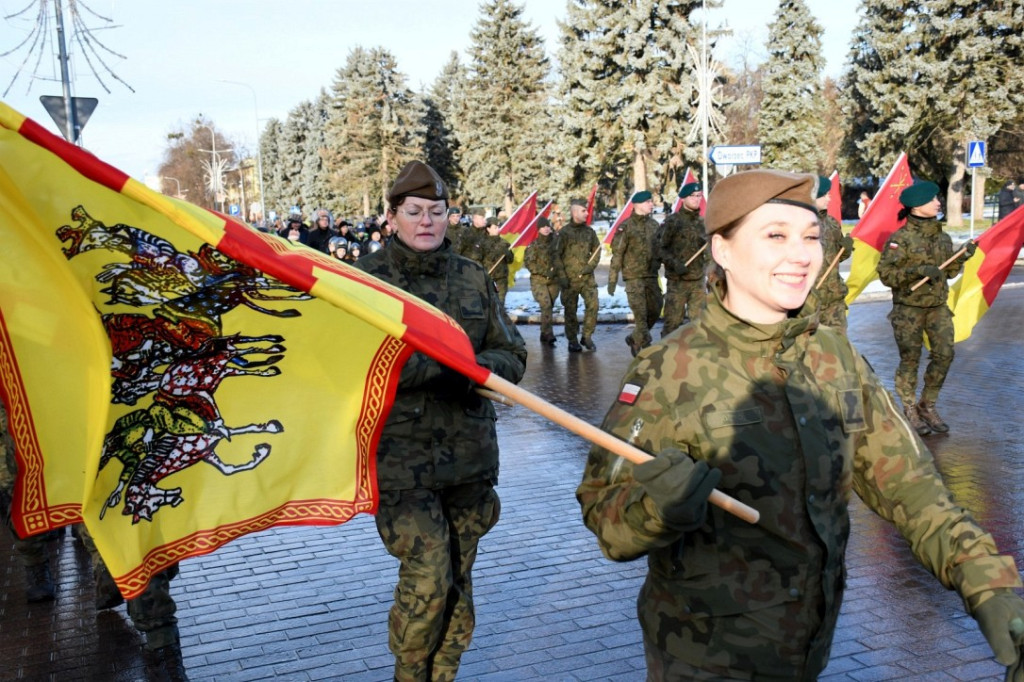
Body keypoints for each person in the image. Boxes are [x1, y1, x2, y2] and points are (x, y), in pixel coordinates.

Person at [577, 169, 1024, 681]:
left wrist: (986, 584)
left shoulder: (835, 356)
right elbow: (605, 519)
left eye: (810, 237)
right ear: (721, 249)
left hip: (811, 649)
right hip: (704, 659)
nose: (802, 254)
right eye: (775, 236)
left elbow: (909, 484)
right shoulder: (666, 371)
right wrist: (659, 507)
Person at [352, 161, 527, 682]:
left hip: (469, 459)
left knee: (457, 581)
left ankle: (442, 674)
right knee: (428, 575)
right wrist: (435, 369)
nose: (426, 221)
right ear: (392, 217)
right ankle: (409, 675)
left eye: (436, 211)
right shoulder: (367, 282)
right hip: (400, 461)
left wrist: (476, 373)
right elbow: (350, 367)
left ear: (449, 215)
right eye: (414, 212)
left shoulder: (473, 278)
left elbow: (511, 355)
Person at [876, 180, 976, 435]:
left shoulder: (943, 237)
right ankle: (909, 408)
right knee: (910, 359)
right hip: (909, 309)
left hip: (937, 307)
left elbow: (949, 272)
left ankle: (927, 405)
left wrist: (962, 256)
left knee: (944, 355)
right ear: (917, 207)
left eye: (936, 199)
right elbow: (887, 275)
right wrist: (917, 271)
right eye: (932, 200)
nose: (937, 203)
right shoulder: (901, 239)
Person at [1, 397, 55, 603]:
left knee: (17, 502)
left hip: (23, 419)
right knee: (15, 499)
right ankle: (37, 570)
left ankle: (38, 571)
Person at [608, 190, 663, 356]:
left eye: (651, 202)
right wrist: (612, 279)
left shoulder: (654, 225)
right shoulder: (626, 226)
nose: (651, 204)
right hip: (634, 278)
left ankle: (634, 337)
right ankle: (646, 351)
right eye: (648, 202)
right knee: (641, 314)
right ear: (637, 205)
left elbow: (662, 249)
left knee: (656, 309)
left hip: (651, 276)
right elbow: (617, 254)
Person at [657, 182, 707, 336]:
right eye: (692, 196)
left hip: (697, 281)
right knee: (673, 323)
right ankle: (665, 354)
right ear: (684, 198)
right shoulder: (673, 221)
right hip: (677, 281)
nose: (696, 199)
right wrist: (674, 263)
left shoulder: (703, 223)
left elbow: (709, 250)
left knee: (699, 323)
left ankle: (696, 356)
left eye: (699, 196)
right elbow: (659, 248)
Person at [555, 198, 601, 352]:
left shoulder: (590, 232)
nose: (586, 213)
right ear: (575, 213)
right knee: (570, 311)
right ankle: (572, 339)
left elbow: (597, 250)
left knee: (593, 305)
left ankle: (587, 336)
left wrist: (590, 266)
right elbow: (556, 255)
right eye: (583, 211)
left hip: (587, 278)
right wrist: (561, 276)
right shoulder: (564, 233)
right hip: (569, 280)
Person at [815, 175, 854, 333]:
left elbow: (837, 258)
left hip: (834, 300)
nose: (829, 198)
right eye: (824, 195)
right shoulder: (799, 224)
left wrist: (845, 249)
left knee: (838, 348)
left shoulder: (831, 223)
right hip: (809, 301)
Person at [524, 216, 560, 345]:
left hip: (555, 281)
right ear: (538, 229)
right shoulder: (533, 246)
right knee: (546, 304)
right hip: (539, 281)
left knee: (549, 307)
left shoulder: (557, 242)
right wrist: (545, 271)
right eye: (543, 227)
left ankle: (543, 332)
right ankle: (549, 333)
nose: (545, 229)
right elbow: (529, 263)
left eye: (547, 226)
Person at [483, 217, 514, 308]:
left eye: (498, 227)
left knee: (500, 304)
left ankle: (499, 321)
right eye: (495, 227)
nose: (498, 229)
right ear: (488, 229)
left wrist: (507, 253)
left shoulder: (504, 243)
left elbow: (510, 260)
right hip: (487, 277)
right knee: (488, 304)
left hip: (501, 278)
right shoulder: (483, 243)